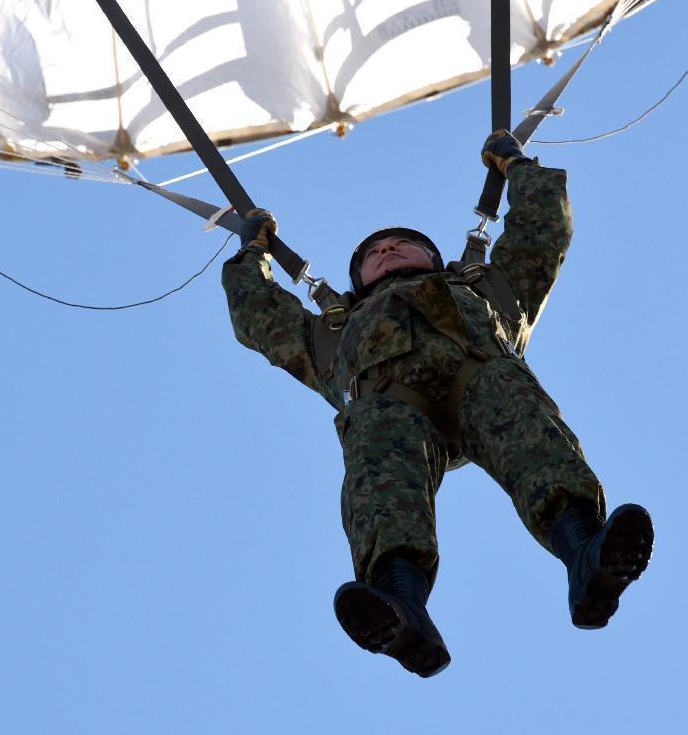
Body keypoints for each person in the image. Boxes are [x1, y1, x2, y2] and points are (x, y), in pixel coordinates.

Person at [221, 130, 653, 677]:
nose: (388, 250)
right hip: (392, 412)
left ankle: (587, 553)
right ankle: (401, 608)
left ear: (434, 257)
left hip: (482, 387)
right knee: (377, 456)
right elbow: (258, 316)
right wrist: (251, 253)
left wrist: (519, 168)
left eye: (402, 245)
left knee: (517, 408)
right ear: (359, 281)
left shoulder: (489, 288)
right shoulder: (329, 336)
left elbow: (542, 231)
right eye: (374, 254)